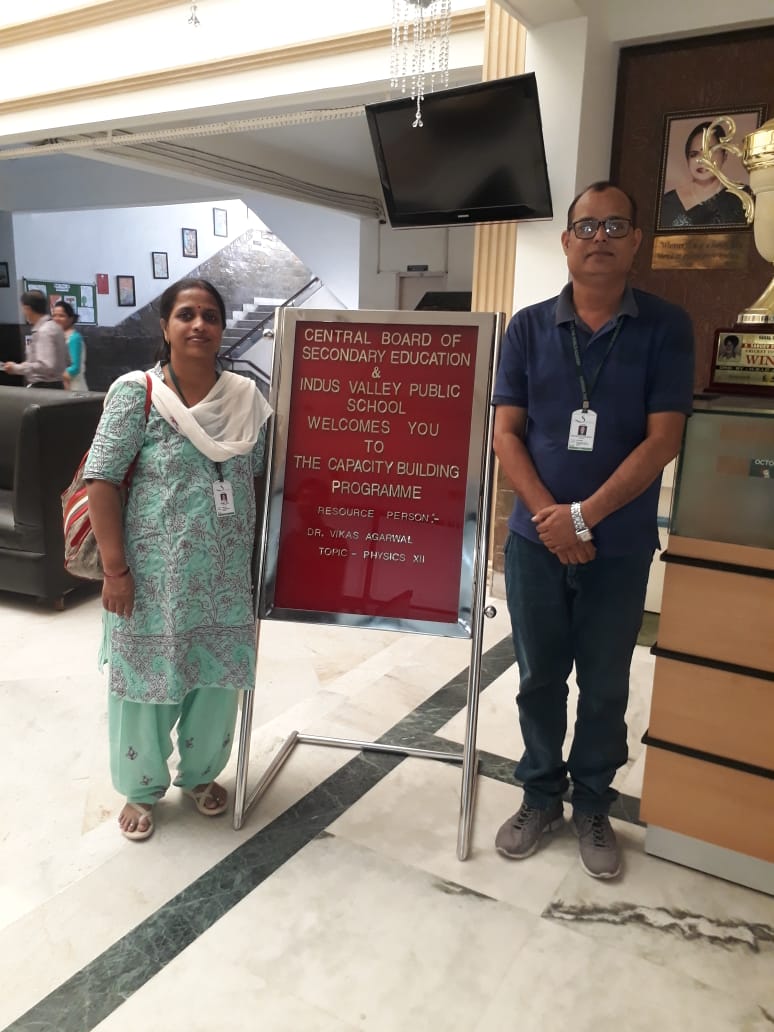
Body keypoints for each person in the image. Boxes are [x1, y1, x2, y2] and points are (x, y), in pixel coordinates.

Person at [492, 181, 695, 879]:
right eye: (586, 226)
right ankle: (540, 795)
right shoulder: (527, 328)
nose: (599, 238)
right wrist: (553, 520)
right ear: (566, 241)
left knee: (605, 683)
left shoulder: (666, 327)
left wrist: (584, 517)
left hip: (619, 544)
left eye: (614, 226)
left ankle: (593, 804)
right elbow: (506, 434)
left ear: (636, 240)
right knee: (539, 677)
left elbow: (663, 438)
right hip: (535, 544)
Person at [84, 278, 272, 842]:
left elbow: (258, 477)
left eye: (210, 315)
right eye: (186, 314)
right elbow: (101, 480)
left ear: (222, 328)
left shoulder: (245, 398)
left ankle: (201, 773)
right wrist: (115, 571)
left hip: (225, 580)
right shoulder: (136, 393)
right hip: (151, 580)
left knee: (216, 683)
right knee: (146, 683)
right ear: (165, 327)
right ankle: (141, 789)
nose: (199, 324)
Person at [659, 121, 748, 229]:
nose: (701, 160)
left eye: (709, 152)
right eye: (694, 154)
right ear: (687, 160)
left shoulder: (742, 197)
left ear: (724, 156)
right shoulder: (667, 203)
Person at [0, 290, 68, 387]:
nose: (23, 312)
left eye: (23, 308)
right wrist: (18, 367)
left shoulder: (44, 331)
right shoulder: (55, 327)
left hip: (44, 387)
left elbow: (45, 365)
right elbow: (67, 359)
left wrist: (16, 368)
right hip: (56, 385)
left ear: (28, 308)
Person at [53, 300, 88, 391]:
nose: (57, 319)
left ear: (71, 318)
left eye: (61, 316)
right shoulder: (58, 336)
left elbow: (75, 368)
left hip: (74, 387)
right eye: (54, 315)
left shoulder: (74, 338)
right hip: (61, 386)